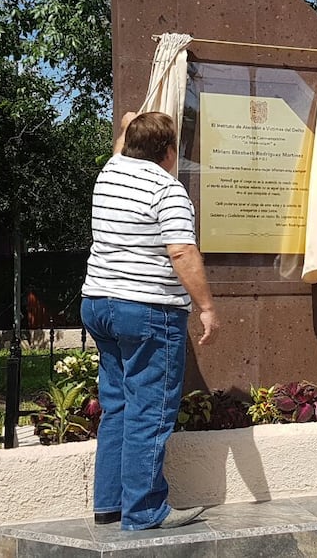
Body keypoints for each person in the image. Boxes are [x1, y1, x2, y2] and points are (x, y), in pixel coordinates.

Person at [81, 111, 219, 530]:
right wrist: (207, 307)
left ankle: (110, 504)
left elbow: (123, 135)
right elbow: (181, 252)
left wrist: (129, 123)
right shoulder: (168, 190)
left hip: (98, 304)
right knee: (149, 410)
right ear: (169, 152)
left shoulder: (110, 172)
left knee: (118, 406)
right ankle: (143, 510)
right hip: (147, 310)